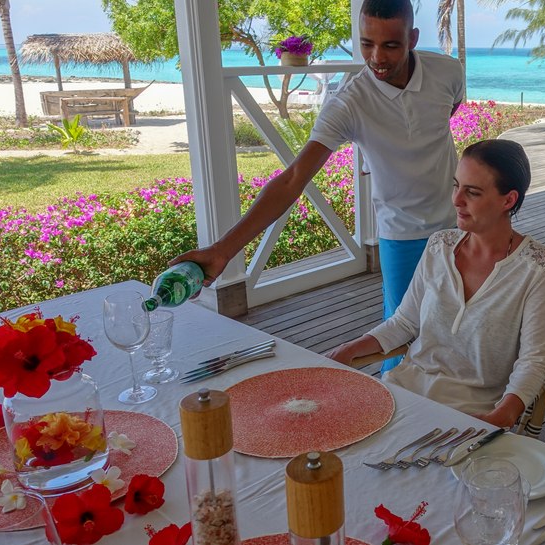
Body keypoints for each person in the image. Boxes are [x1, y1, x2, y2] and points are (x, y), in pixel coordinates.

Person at [172, 0, 465, 373]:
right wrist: (222, 250)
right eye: (366, 43)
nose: (376, 57)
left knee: (457, 330)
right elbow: (293, 179)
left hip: (458, 227)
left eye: (390, 45)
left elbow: (447, 113)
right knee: (401, 340)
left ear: (412, 38)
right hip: (401, 234)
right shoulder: (350, 103)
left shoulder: (447, 71)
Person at [326, 140, 545, 429]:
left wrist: (504, 414)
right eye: (456, 185)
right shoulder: (440, 246)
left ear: (508, 200)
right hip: (402, 393)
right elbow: (404, 322)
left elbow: (534, 360)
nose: (456, 199)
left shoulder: (537, 268)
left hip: (471, 414)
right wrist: (350, 348)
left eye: (472, 192)